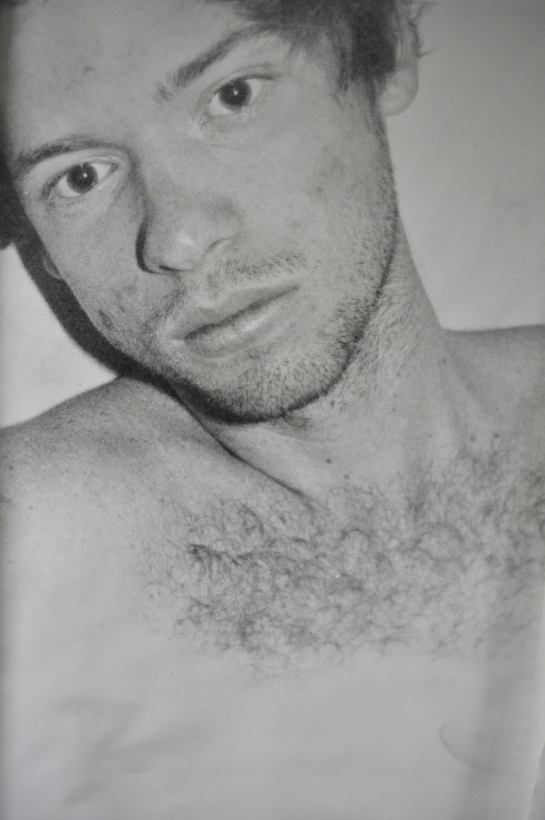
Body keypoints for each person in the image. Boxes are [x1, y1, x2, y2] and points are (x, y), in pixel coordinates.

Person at [1, 0, 544, 817]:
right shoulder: (32, 543)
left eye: (232, 97)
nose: (178, 238)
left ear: (384, 51)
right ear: (41, 245)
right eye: (80, 177)